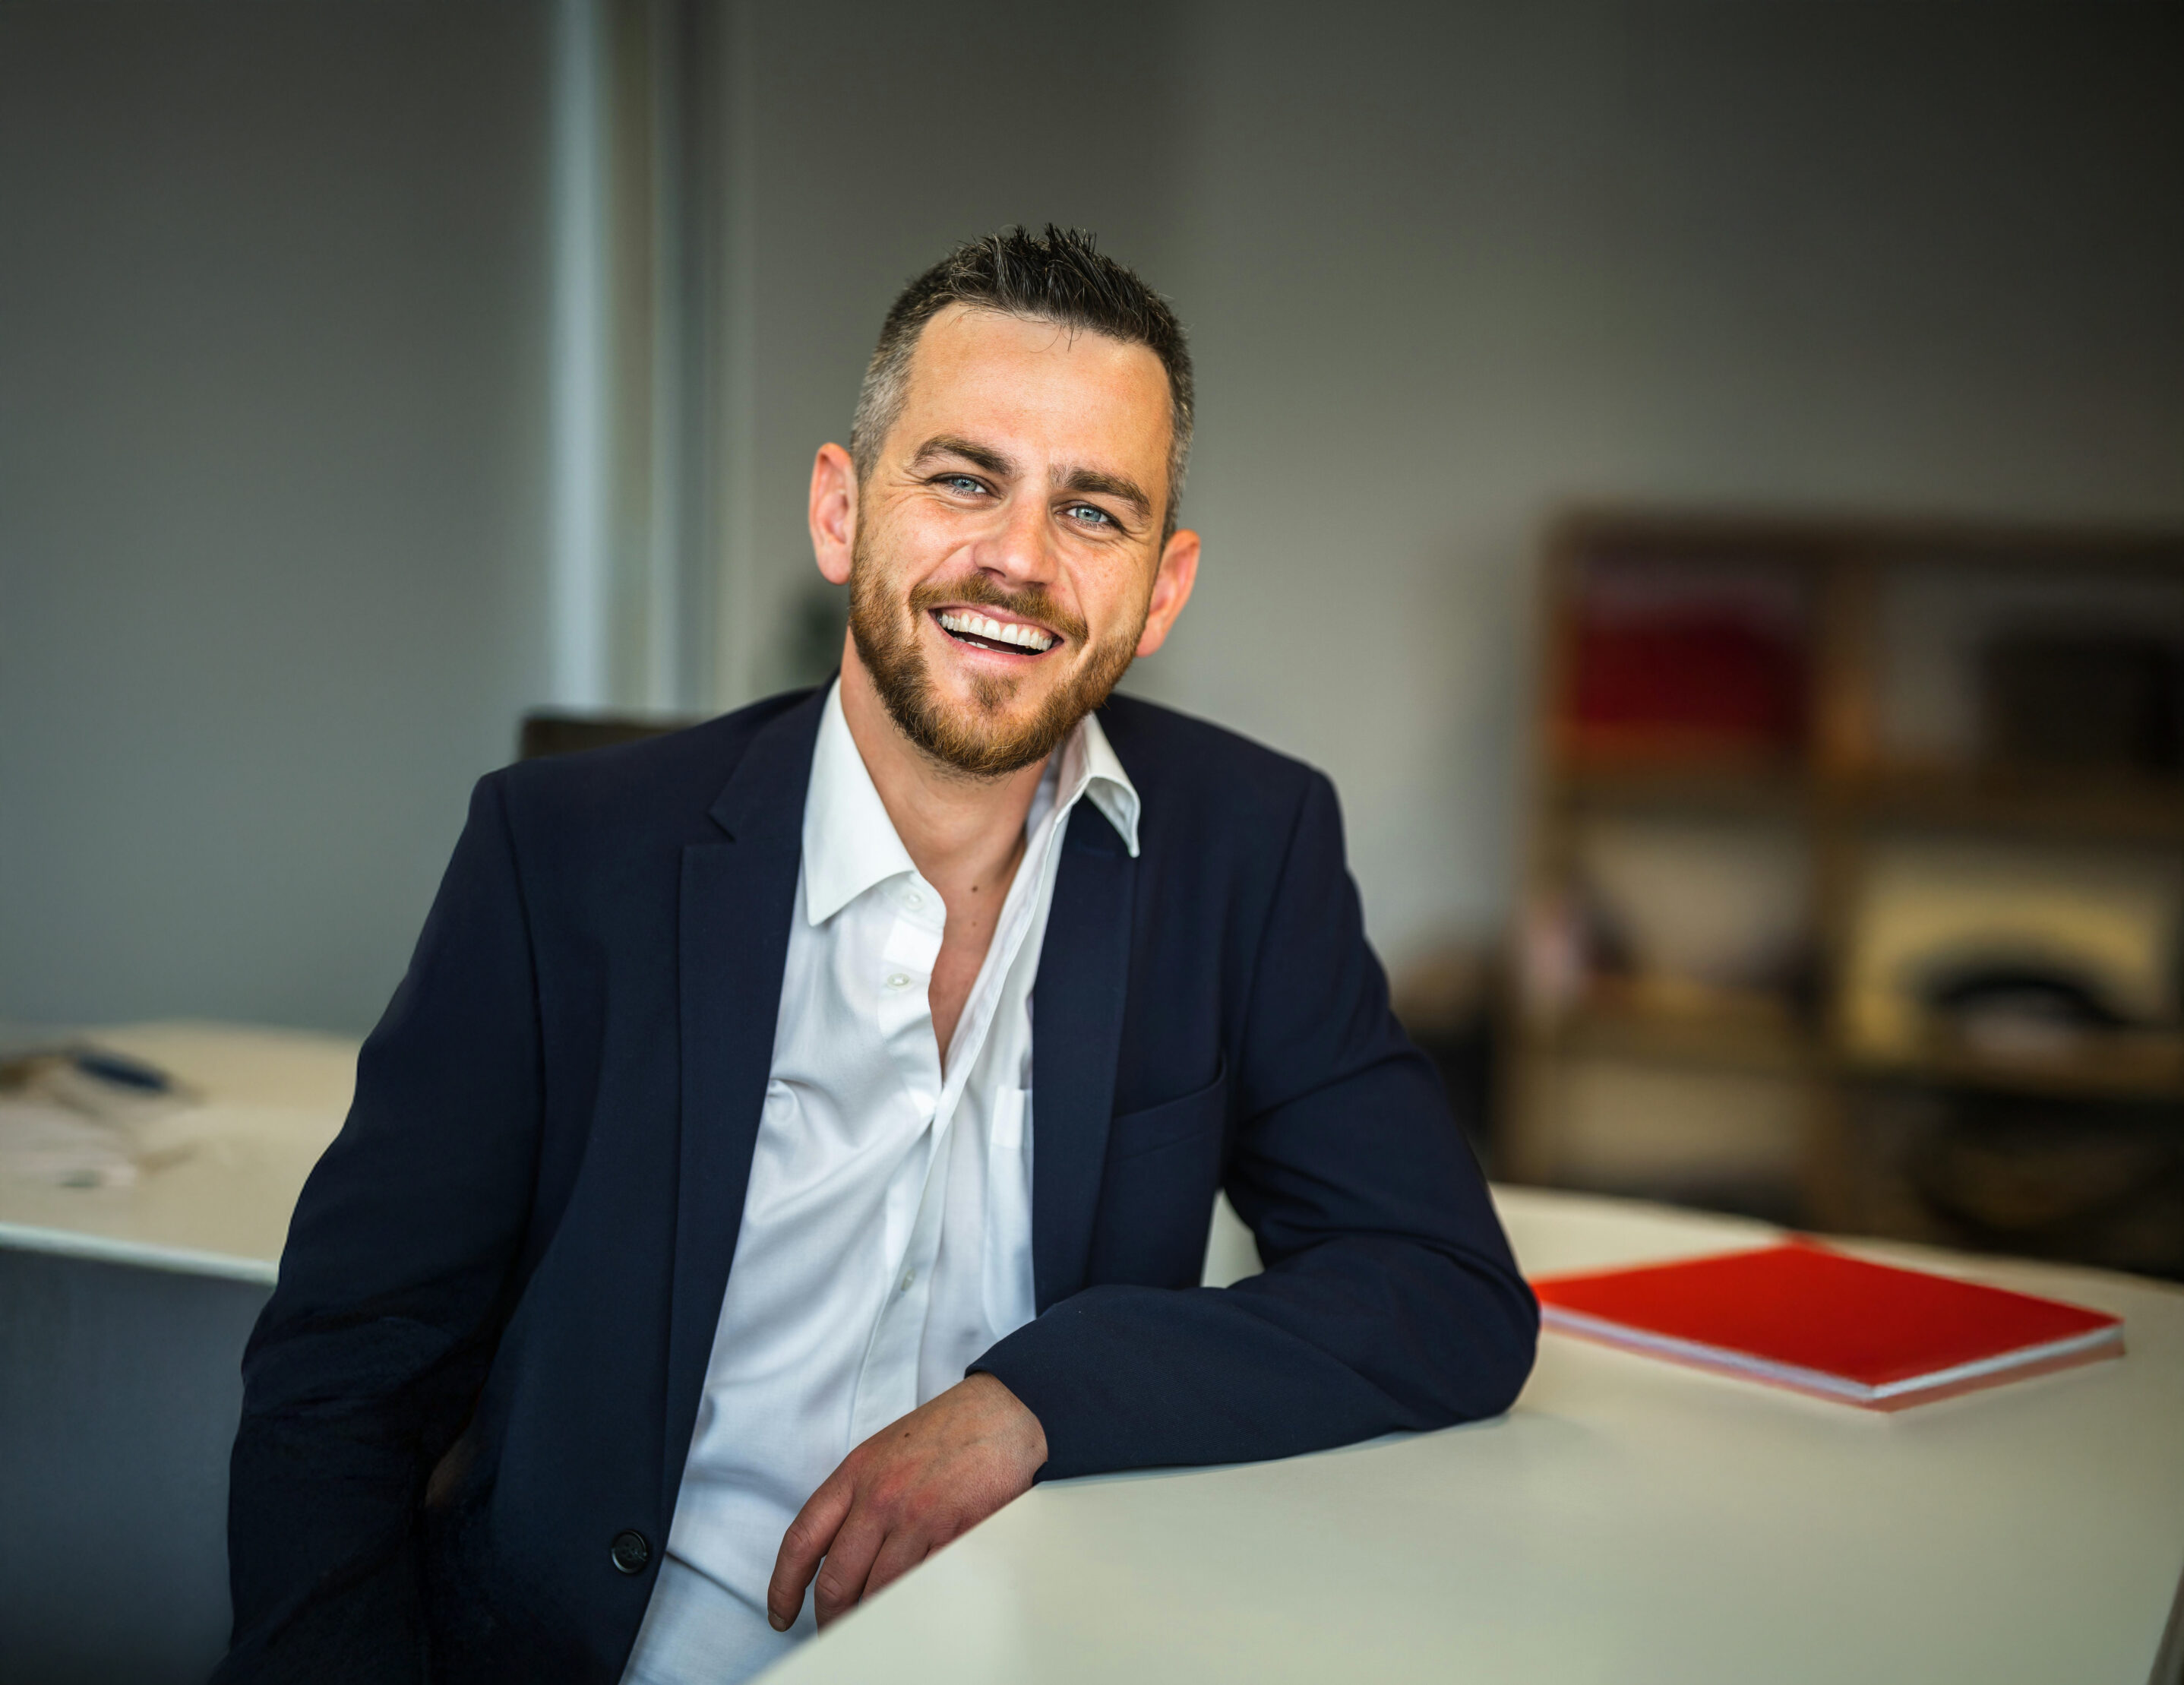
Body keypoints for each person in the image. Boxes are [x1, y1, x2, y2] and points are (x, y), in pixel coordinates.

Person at [215, 226, 1536, 1685]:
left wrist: (1035, 1400)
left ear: (1163, 588)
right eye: (966, 478)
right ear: (842, 512)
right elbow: (345, 1368)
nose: (1020, 560)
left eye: (1095, 512)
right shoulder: (563, 855)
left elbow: (1440, 1285)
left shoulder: (1246, 846)